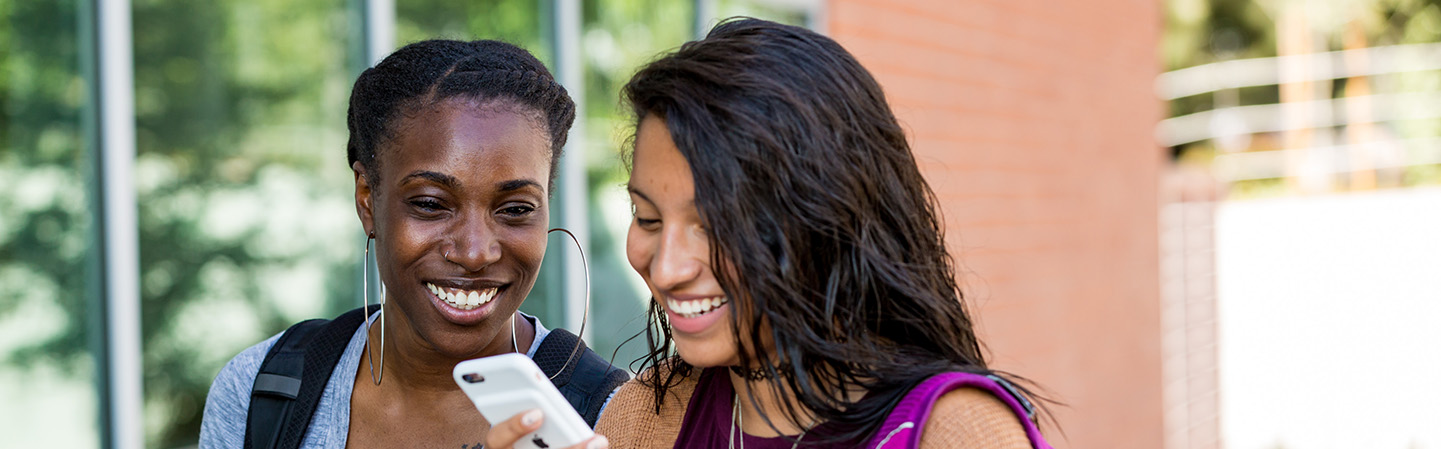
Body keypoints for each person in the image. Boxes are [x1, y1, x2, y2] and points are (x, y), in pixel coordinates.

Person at [596, 18, 1048, 448]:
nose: (667, 268)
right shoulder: (641, 418)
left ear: (829, 217)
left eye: (719, 224)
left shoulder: (959, 434)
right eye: (647, 217)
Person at [199, 39, 621, 449]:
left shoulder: (613, 419)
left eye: (514, 209)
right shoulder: (264, 391)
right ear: (368, 201)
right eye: (430, 204)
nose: (475, 252)